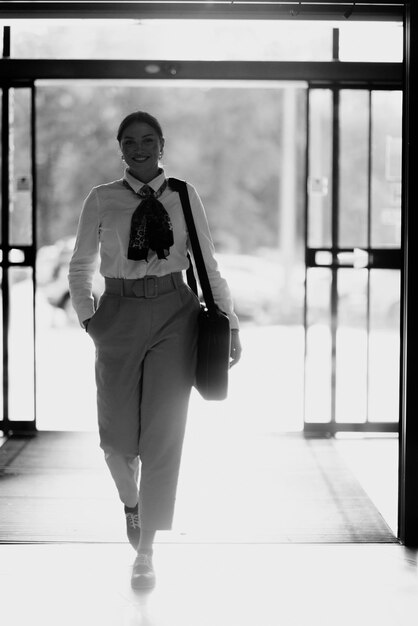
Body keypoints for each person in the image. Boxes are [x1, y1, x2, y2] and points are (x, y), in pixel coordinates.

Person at [68, 110, 241, 590]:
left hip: (174, 312)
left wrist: (230, 322)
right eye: (129, 141)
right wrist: (89, 317)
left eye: (148, 140)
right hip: (117, 314)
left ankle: (145, 552)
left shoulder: (184, 195)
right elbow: (80, 264)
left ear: (161, 145)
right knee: (117, 441)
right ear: (119, 148)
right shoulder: (101, 199)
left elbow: (206, 260)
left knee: (163, 434)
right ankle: (132, 504)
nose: (139, 147)